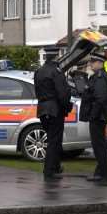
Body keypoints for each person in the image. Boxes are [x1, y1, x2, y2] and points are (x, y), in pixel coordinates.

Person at [34, 46, 72, 181]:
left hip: (42, 109)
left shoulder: (38, 71)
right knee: (54, 141)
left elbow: (37, 92)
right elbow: (63, 94)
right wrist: (67, 107)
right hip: (55, 109)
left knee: (52, 139)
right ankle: (49, 170)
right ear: (56, 57)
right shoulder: (56, 72)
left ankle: (55, 166)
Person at [80, 53, 107, 182]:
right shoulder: (97, 77)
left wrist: (93, 115)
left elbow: (100, 99)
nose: (90, 64)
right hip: (99, 116)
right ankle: (100, 172)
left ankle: (103, 175)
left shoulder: (100, 77)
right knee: (99, 145)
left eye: (93, 62)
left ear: (100, 63)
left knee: (99, 146)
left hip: (98, 117)